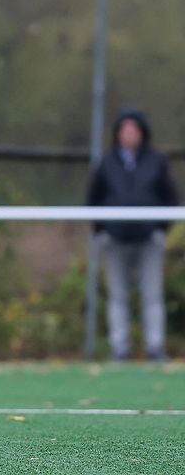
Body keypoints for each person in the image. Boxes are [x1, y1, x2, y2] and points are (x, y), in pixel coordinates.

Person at [87, 108, 178, 362]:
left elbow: (171, 197)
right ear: (117, 134)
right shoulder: (107, 162)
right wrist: (101, 231)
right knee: (117, 296)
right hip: (115, 239)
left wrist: (160, 229)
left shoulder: (156, 161)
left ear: (142, 132)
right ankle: (120, 349)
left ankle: (155, 348)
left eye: (133, 129)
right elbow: (93, 199)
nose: (129, 134)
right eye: (124, 129)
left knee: (152, 295)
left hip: (148, 239)